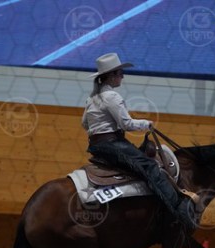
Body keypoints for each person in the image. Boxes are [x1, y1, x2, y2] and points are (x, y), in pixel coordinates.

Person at [82, 53, 195, 230]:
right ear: (111, 76)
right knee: (150, 166)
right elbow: (126, 124)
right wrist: (146, 123)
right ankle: (178, 211)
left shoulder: (92, 98)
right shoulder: (112, 97)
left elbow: (84, 123)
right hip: (112, 144)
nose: (122, 76)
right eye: (120, 73)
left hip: (96, 146)